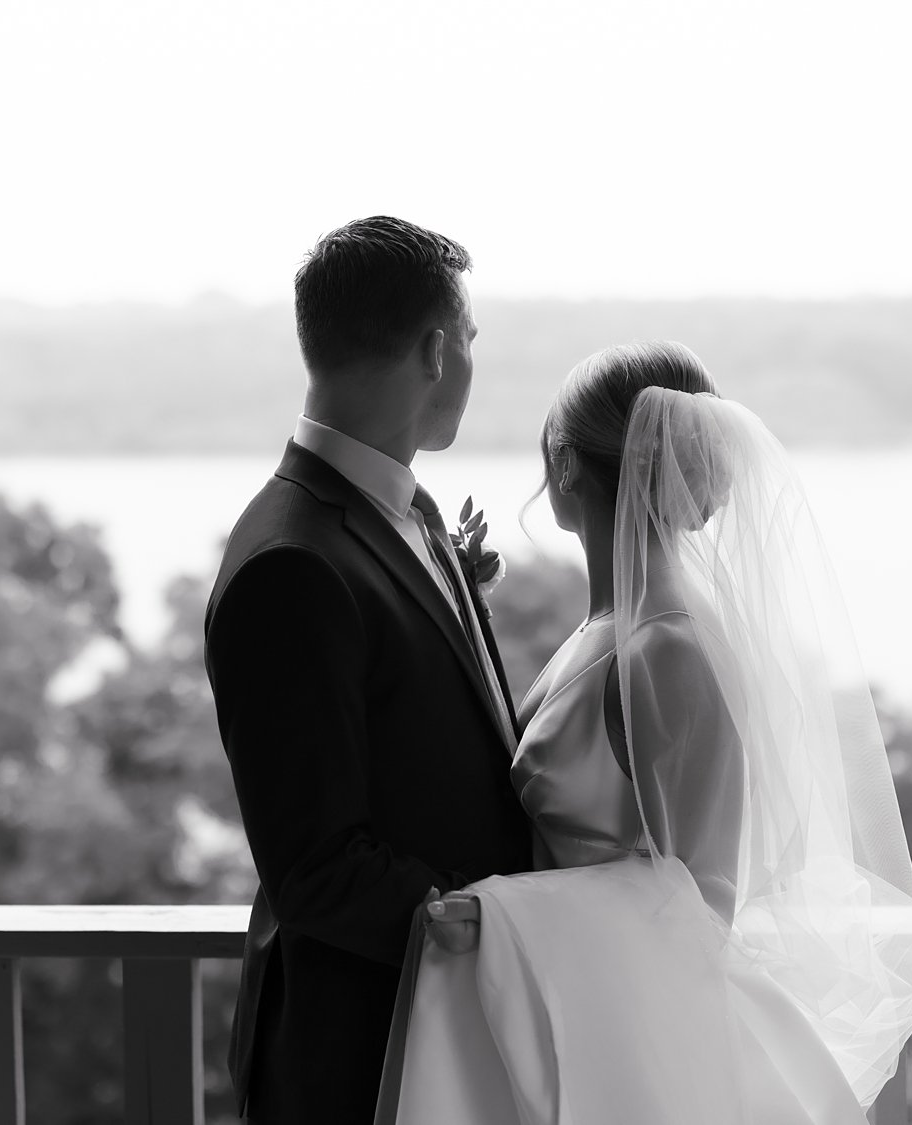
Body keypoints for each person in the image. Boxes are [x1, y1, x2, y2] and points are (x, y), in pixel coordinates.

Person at [377, 341, 912, 1124]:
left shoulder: (670, 648)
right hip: (566, 1011)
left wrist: (504, 913)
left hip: (636, 1039)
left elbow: (701, 896)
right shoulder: (609, 627)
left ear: (565, 466)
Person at [203, 216, 535, 1123]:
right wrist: (514, 938)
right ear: (434, 350)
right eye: (468, 340)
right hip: (363, 1054)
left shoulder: (410, 509)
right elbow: (318, 865)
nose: (470, 358)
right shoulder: (291, 563)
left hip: (447, 1042)